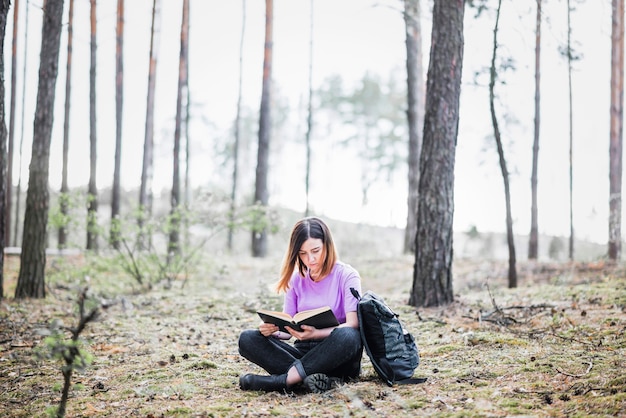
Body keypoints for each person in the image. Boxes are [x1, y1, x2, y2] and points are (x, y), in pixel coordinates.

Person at [238, 217, 363, 393]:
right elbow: (287, 329)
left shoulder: (348, 276)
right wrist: (271, 329)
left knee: (349, 335)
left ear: (327, 245)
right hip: (303, 355)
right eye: (303, 253)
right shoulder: (296, 279)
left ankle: (285, 380)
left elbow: (353, 324)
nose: (310, 259)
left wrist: (317, 333)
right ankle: (312, 380)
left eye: (315, 250)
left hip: (337, 356)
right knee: (247, 338)